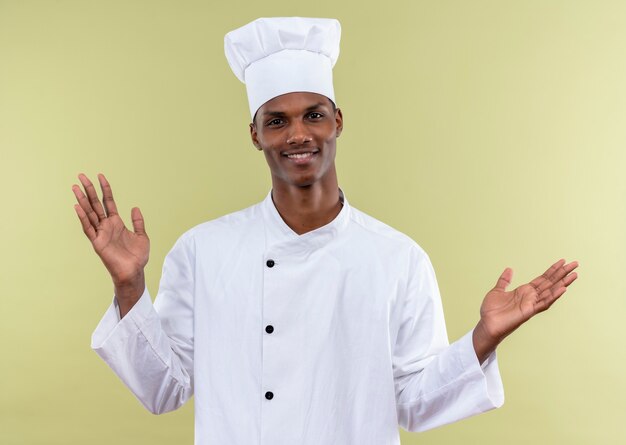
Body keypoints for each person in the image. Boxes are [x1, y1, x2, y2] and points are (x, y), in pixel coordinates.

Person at [71, 17, 578, 445]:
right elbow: (165, 390)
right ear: (255, 135)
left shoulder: (397, 258)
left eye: (313, 115)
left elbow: (414, 403)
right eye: (276, 120)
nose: (297, 134)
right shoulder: (203, 251)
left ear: (337, 120)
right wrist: (129, 287)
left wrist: (483, 339)